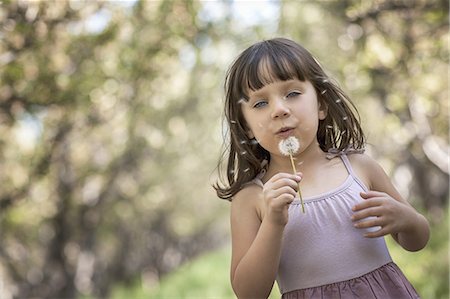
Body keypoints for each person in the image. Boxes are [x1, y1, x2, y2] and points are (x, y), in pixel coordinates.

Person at [213, 38, 430, 299]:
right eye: (260, 103)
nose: (279, 110)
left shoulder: (360, 168)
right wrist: (273, 222)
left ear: (321, 105)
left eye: (292, 94)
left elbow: (417, 241)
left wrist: (406, 220)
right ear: (247, 126)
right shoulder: (252, 198)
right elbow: (249, 293)